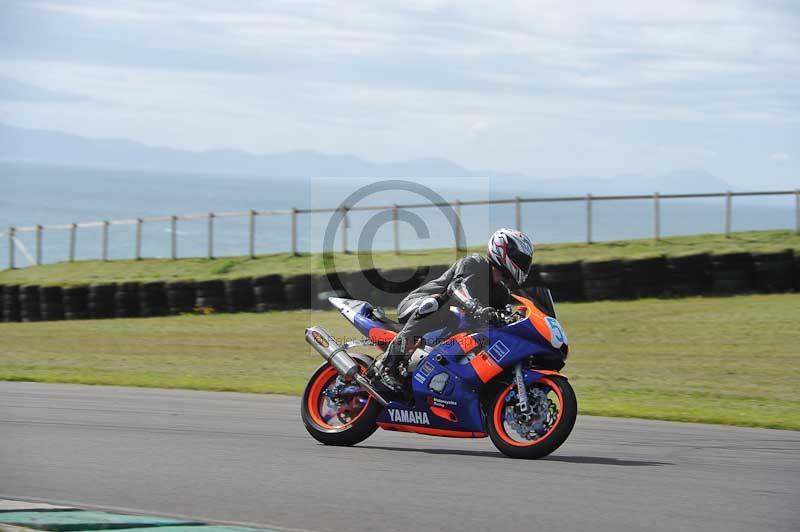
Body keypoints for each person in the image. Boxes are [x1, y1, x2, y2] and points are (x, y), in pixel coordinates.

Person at [375, 228, 535, 392]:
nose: (524, 264)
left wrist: (514, 319)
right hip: (416, 305)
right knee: (437, 303)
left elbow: (503, 317)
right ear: (502, 251)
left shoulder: (501, 293)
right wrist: (475, 307)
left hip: (446, 326)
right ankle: (389, 363)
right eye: (521, 259)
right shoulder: (474, 263)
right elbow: (456, 288)